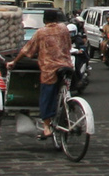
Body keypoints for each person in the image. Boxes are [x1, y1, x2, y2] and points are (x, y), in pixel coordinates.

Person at [13, 9, 72, 139]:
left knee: (46, 96)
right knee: (63, 89)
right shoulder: (64, 29)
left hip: (50, 69)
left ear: (44, 20)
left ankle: (46, 125)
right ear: (57, 19)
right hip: (66, 65)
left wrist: (14, 61)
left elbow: (27, 49)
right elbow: (68, 46)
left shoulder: (41, 32)